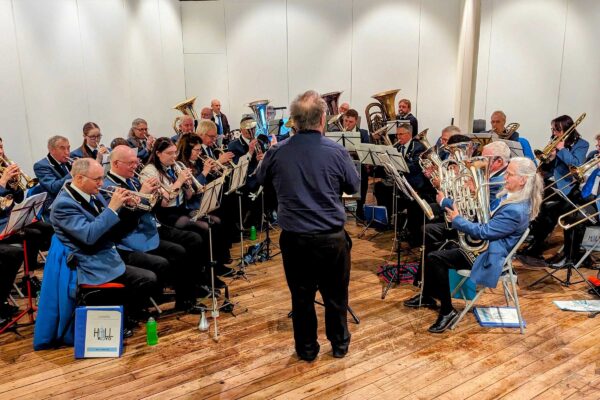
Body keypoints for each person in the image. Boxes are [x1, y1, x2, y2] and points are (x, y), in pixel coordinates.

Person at [256, 90, 360, 361]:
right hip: (331, 239)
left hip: (296, 240)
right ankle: (339, 345)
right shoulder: (337, 151)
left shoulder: (277, 152)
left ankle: (306, 349)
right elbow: (353, 186)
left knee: (301, 299)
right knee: (336, 295)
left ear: (294, 120)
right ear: (323, 119)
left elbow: (257, 181)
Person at [405, 157, 542, 333]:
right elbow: (485, 218)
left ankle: (447, 310)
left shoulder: (515, 209)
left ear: (523, 180)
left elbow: (484, 232)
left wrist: (457, 220)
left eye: (510, 174)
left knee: (435, 258)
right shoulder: (512, 198)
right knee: (435, 245)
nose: (505, 177)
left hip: (488, 255)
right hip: (487, 246)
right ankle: (428, 294)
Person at [50, 158, 158, 330]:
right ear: (79, 179)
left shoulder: (93, 192)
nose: (101, 183)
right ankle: (122, 317)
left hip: (109, 250)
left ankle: (128, 313)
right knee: (147, 279)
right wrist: (112, 208)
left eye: (102, 178)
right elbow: (89, 236)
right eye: (97, 179)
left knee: (155, 268)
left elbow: (113, 227)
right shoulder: (63, 205)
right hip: (90, 262)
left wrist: (127, 207)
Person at [103, 146, 206, 313]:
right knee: (178, 252)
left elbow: (152, 208)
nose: (135, 167)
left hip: (148, 229)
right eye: (130, 163)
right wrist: (143, 195)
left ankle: (193, 289)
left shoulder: (132, 180)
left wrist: (156, 195)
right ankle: (184, 298)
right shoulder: (110, 188)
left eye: (135, 163)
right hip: (130, 239)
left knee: (193, 240)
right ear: (115, 163)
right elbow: (121, 223)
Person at [521, 115, 588, 258]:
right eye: (552, 129)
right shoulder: (554, 140)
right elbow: (550, 166)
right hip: (551, 181)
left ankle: (537, 244)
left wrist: (562, 150)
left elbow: (576, 164)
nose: (553, 133)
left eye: (557, 130)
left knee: (547, 210)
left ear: (567, 129)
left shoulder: (582, 144)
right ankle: (534, 239)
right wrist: (550, 159)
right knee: (532, 204)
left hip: (567, 187)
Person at [33, 135, 72, 217]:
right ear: (52, 150)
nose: (67, 152)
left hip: (71, 200)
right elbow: (53, 188)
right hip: (56, 207)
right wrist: (73, 173)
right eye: (62, 148)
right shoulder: (41, 166)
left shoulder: (69, 161)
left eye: (68, 148)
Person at [343, 109, 369, 220]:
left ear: (356, 121)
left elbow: (365, 150)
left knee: (364, 177)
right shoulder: (338, 133)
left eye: (350, 122)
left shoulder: (363, 133)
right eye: (346, 121)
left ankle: (360, 209)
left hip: (357, 164)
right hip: (343, 165)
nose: (347, 124)